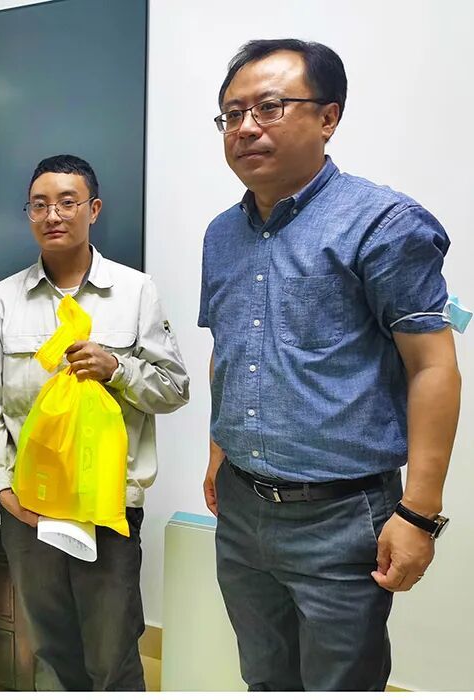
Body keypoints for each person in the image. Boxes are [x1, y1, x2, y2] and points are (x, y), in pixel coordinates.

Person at [200, 39, 462, 691]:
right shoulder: (221, 234)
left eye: (269, 107)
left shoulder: (383, 223)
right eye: (232, 114)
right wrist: (216, 454)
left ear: (328, 117)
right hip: (242, 506)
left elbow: (433, 366)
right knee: (264, 679)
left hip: (342, 516)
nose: (246, 127)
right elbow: (229, 350)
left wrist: (419, 511)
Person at [0, 154, 190, 690]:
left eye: (67, 202)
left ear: (93, 209)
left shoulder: (135, 292)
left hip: (107, 508)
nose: (53, 215)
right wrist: (2, 488)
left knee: (112, 653)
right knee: (48, 647)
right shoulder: (4, 299)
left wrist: (117, 369)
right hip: (30, 508)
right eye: (39, 205)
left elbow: (175, 388)